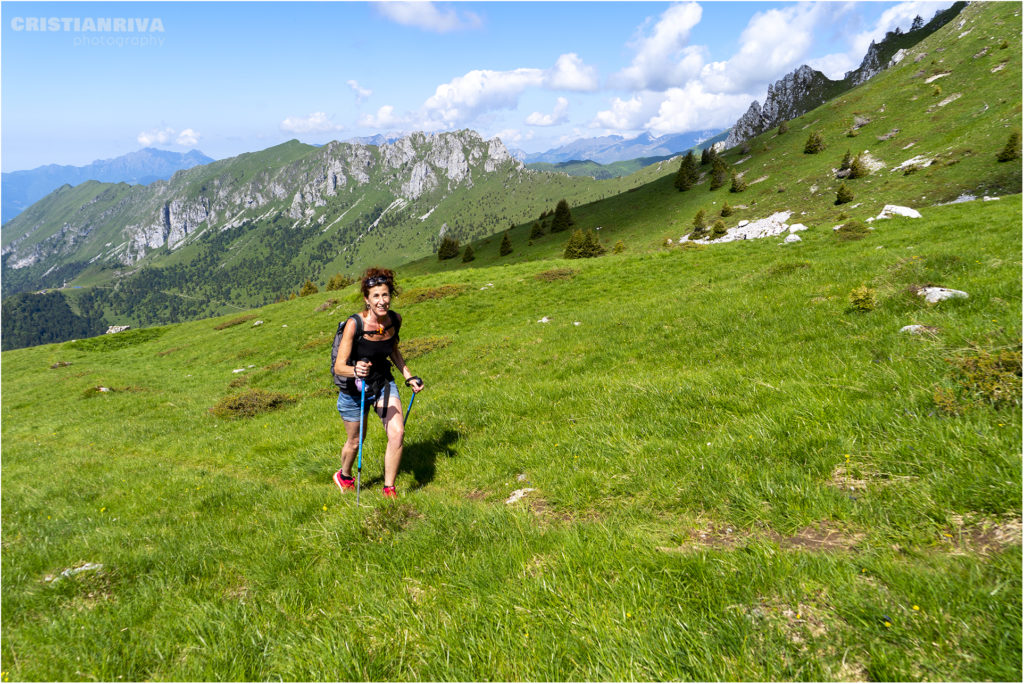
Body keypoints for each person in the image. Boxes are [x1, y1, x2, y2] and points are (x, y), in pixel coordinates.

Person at [332, 267, 424, 498]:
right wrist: (356, 369)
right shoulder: (355, 324)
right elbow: (339, 366)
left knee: (397, 433)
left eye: (385, 295)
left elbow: (393, 350)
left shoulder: (395, 320)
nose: (381, 301)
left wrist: (408, 376)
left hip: (382, 381)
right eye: (376, 296)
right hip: (354, 389)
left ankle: (389, 489)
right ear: (367, 299)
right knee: (355, 441)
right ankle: (344, 475)